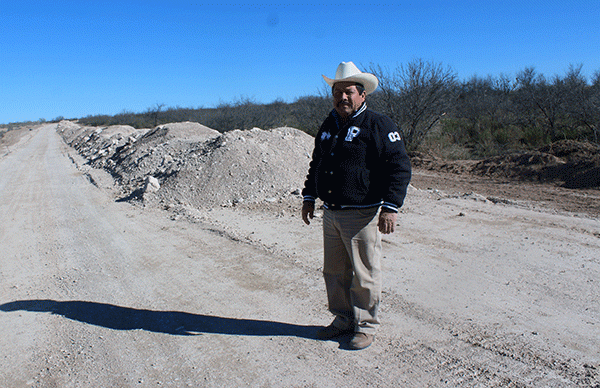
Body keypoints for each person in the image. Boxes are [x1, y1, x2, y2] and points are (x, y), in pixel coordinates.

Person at [301, 61, 411, 350]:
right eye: (337, 92)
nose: (342, 97)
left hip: (361, 215)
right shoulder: (329, 124)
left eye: (349, 91)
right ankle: (343, 319)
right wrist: (309, 196)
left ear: (363, 95)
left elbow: (399, 167)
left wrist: (391, 207)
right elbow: (317, 164)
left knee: (364, 273)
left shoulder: (378, 124)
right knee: (334, 272)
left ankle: (366, 326)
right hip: (331, 212)